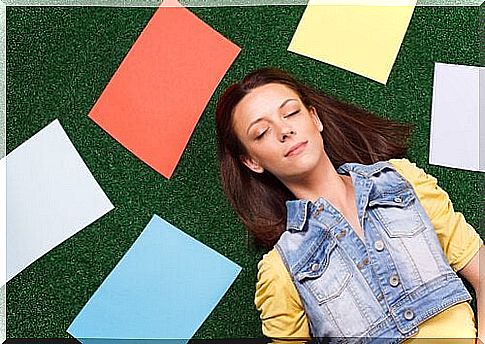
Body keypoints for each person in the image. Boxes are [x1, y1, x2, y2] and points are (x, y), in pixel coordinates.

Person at [214, 67, 483, 343]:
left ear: (314, 118)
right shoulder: (281, 270)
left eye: (291, 112)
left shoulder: (403, 181)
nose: (284, 130)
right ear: (252, 161)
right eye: (261, 132)